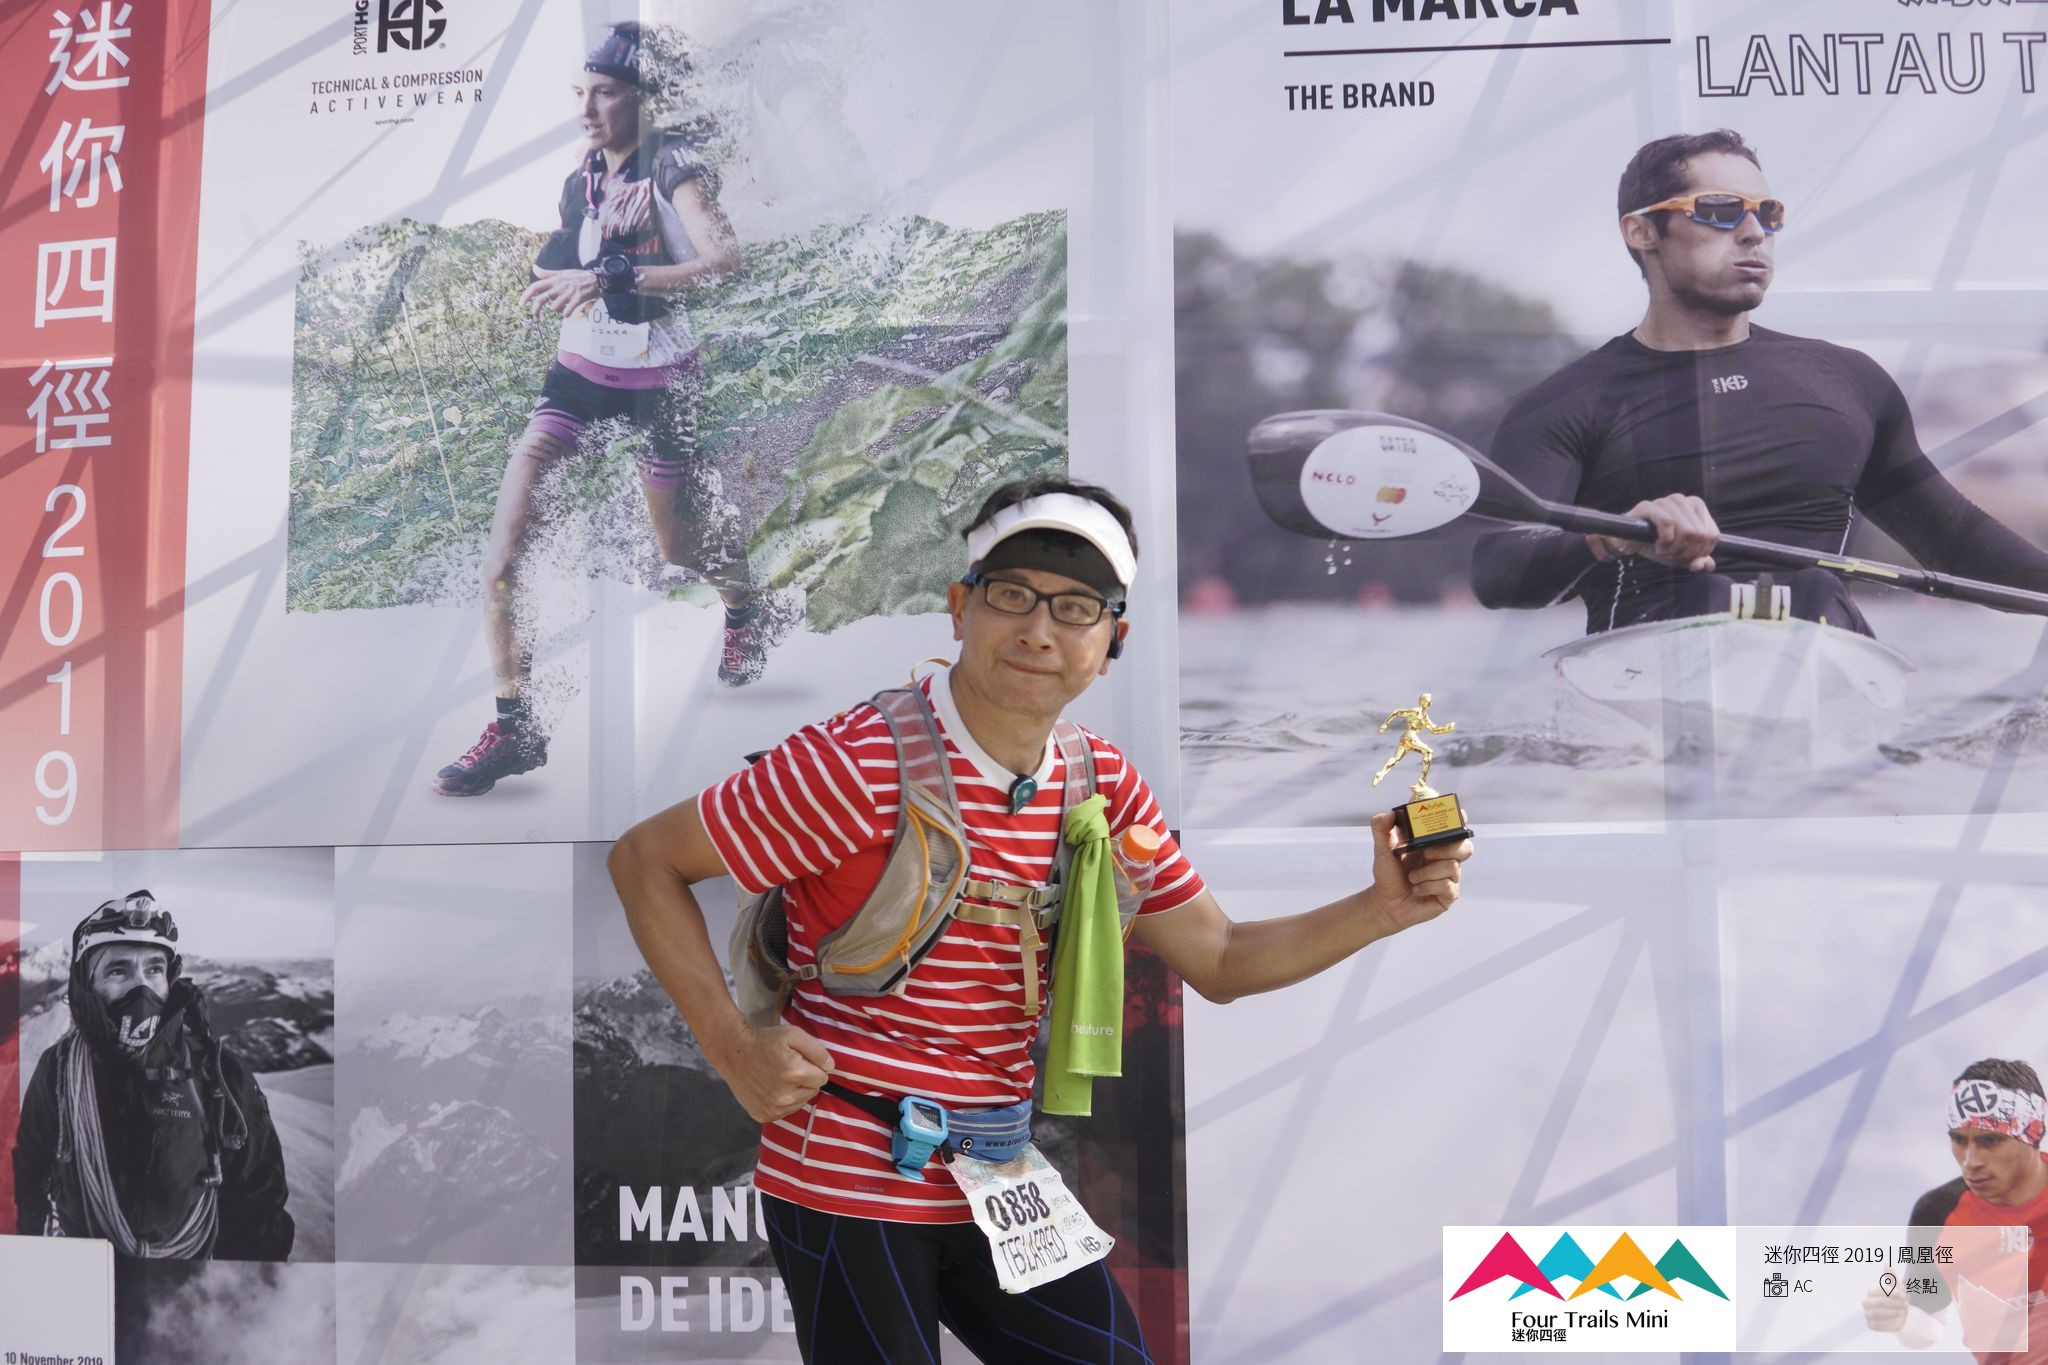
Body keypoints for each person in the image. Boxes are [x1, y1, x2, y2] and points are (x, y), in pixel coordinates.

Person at [610, 475, 1474, 1363]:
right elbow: (646, 861)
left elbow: (1220, 957)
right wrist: (733, 1047)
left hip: (998, 1168)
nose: (1038, 630)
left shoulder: (1100, 783)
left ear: (1113, 642)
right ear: (960, 608)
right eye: (1012, 594)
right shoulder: (860, 762)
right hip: (847, 1169)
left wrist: (1382, 908)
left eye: (1075, 607)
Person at [1470, 128, 2048, 637]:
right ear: (1642, 231)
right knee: (1709, 596)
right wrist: (1613, 536)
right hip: (1646, 668)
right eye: (1720, 210)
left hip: (1825, 652)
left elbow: (1955, 537)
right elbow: (1498, 571)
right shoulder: (1566, 404)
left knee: (1818, 593)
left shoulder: (1849, 381)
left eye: (1767, 213)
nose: (1753, 232)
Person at [434, 20, 799, 797]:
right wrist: (557, 272)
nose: (587, 109)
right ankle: (515, 728)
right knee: (501, 561)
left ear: (642, 99)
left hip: (662, 386)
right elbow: (569, 256)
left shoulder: (673, 168)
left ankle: (746, 608)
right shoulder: (583, 178)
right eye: (582, 93)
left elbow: (724, 261)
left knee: (678, 546)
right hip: (577, 380)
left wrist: (616, 276)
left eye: (605, 94)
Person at [12, 892, 294, 1261]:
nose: (141, 988)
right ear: (86, 985)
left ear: (170, 978)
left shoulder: (221, 1073)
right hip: (85, 1271)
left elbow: (258, 1201)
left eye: (154, 969)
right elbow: (32, 1168)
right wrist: (31, 1255)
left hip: (186, 1282)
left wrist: (236, 1285)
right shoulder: (59, 1069)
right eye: (118, 970)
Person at [1862, 1059, 2048, 1361]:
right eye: (1959, 1140)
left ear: (2034, 1132)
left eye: (1990, 1140)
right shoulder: (1937, 1213)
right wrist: (1900, 1319)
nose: (1971, 1161)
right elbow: (1928, 1322)